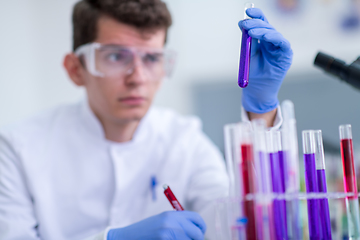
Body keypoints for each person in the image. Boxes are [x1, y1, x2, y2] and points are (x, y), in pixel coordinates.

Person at [0, 0, 293, 239]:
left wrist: (261, 114)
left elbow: (240, 222)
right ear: (76, 69)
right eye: (116, 57)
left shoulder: (184, 140)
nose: (138, 78)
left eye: (152, 59)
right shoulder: (18, 148)